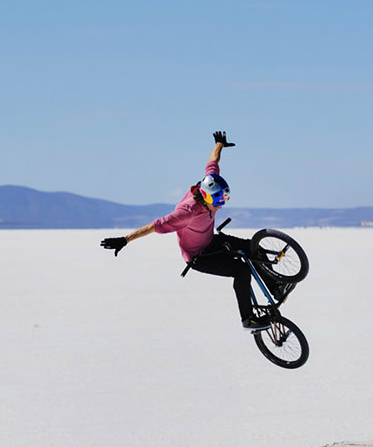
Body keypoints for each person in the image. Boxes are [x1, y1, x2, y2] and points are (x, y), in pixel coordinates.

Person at [100, 131, 264, 328]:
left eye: (224, 200)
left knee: (254, 247)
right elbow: (154, 226)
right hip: (199, 257)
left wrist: (219, 144)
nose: (221, 206)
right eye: (219, 202)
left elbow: (212, 162)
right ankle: (248, 319)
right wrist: (125, 239)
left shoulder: (210, 183)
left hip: (211, 240)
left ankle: (276, 287)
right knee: (241, 270)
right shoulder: (187, 213)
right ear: (207, 197)